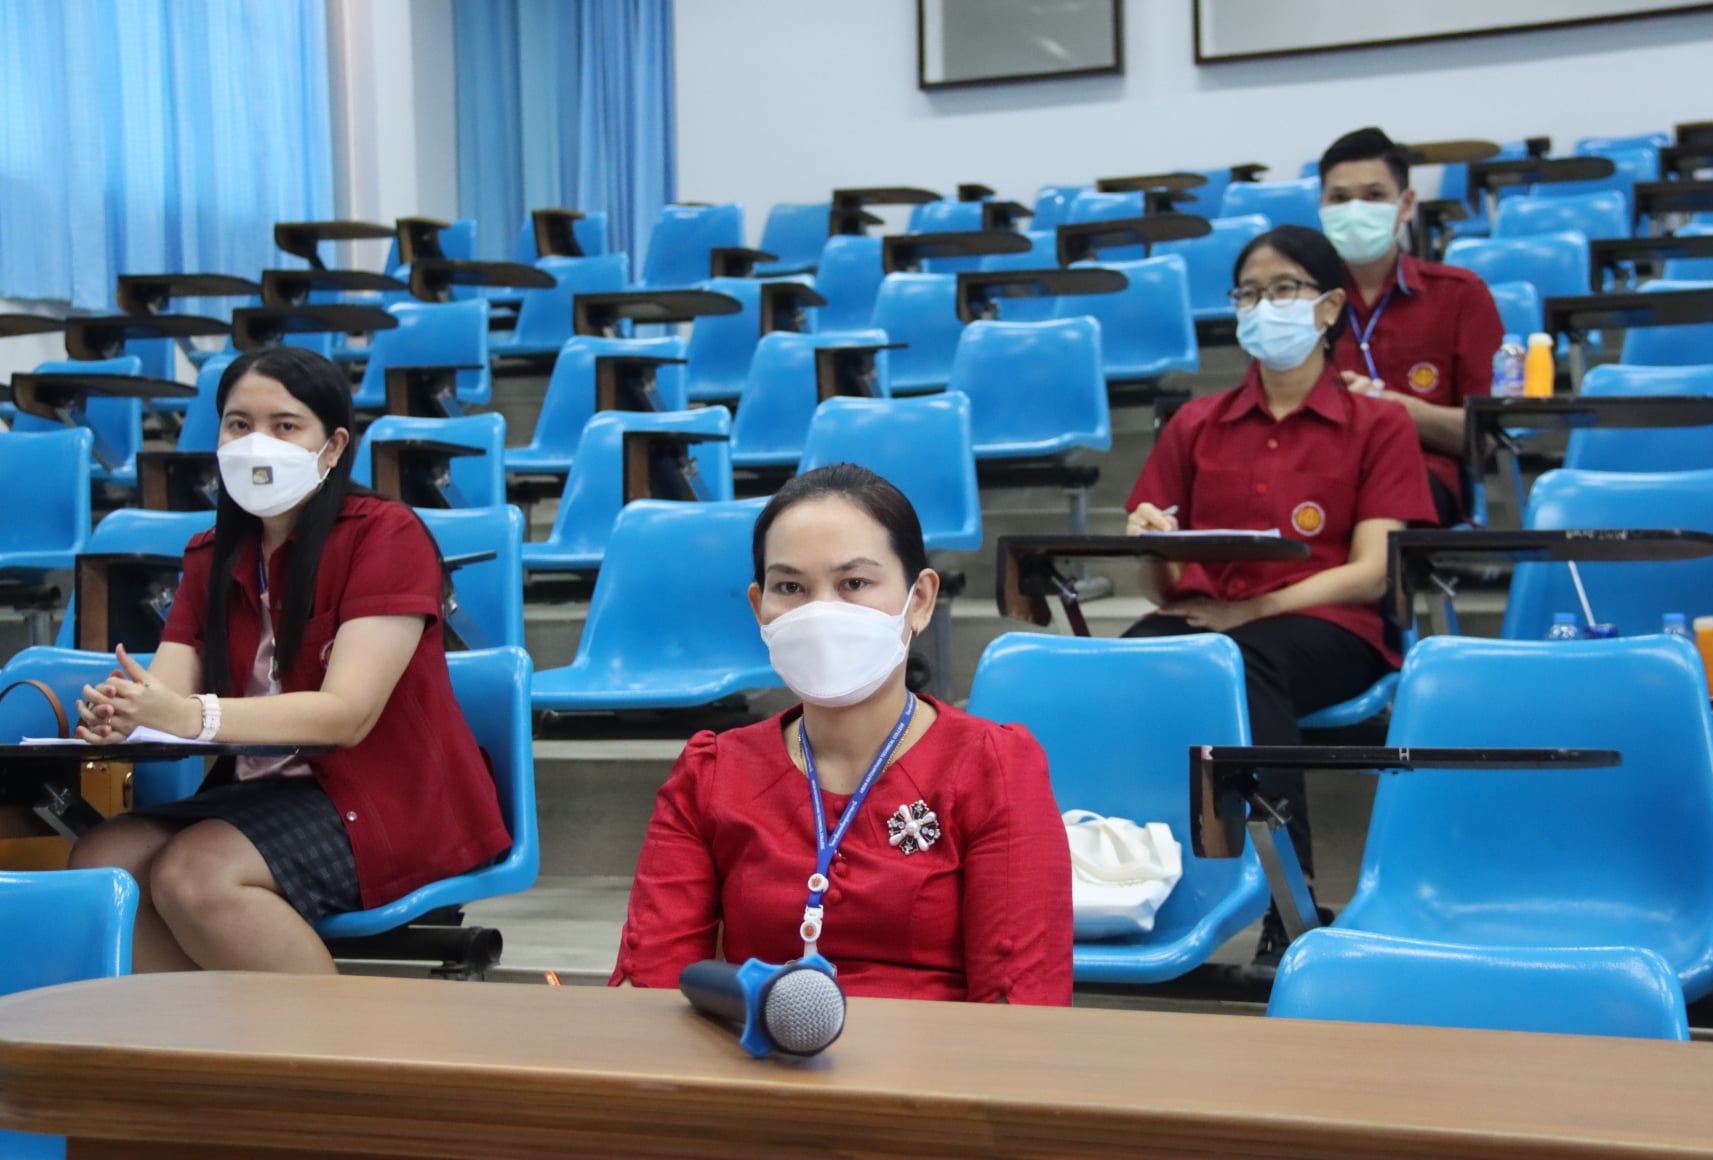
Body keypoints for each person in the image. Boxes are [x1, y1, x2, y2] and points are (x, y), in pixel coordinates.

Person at [67, 346, 510, 974]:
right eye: (239, 424)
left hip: (389, 799)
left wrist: (189, 715)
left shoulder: (386, 536)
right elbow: (166, 695)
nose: (258, 444)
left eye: (285, 426)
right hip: (264, 796)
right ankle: (206, 1029)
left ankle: (326, 1036)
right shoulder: (211, 555)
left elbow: (344, 715)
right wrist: (127, 715)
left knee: (195, 873)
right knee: (103, 859)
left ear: (331, 448)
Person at [611, 464, 1073, 1004]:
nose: (820, 612)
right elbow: (650, 991)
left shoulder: (993, 767)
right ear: (760, 609)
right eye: (791, 587)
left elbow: (1021, 1009)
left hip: (941, 1056)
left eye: (854, 583)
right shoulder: (711, 773)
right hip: (752, 1053)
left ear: (920, 601)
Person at [1124, 225, 1437, 965]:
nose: (1266, 306)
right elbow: (1159, 583)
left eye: (1285, 289)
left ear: (1328, 307)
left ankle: (1291, 900)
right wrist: (1151, 546)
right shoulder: (1196, 424)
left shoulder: (1380, 422)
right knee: (1129, 664)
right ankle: (1130, 883)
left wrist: (1251, 612)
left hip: (1334, 628)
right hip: (1210, 617)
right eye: (1250, 293)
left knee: (1245, 660)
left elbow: (1371, 571)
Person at [1317, 126, 1506, 525]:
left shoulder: (1459, 295)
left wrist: (1393, 410)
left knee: (1377, 497)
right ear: (1322, 206)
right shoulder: (1303, 302)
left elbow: (1487, 433)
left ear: (1405, 205)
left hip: (1420, 474)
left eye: (1373, 196)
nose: (1355, 211)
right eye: (1339, 199)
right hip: (1318, 473)